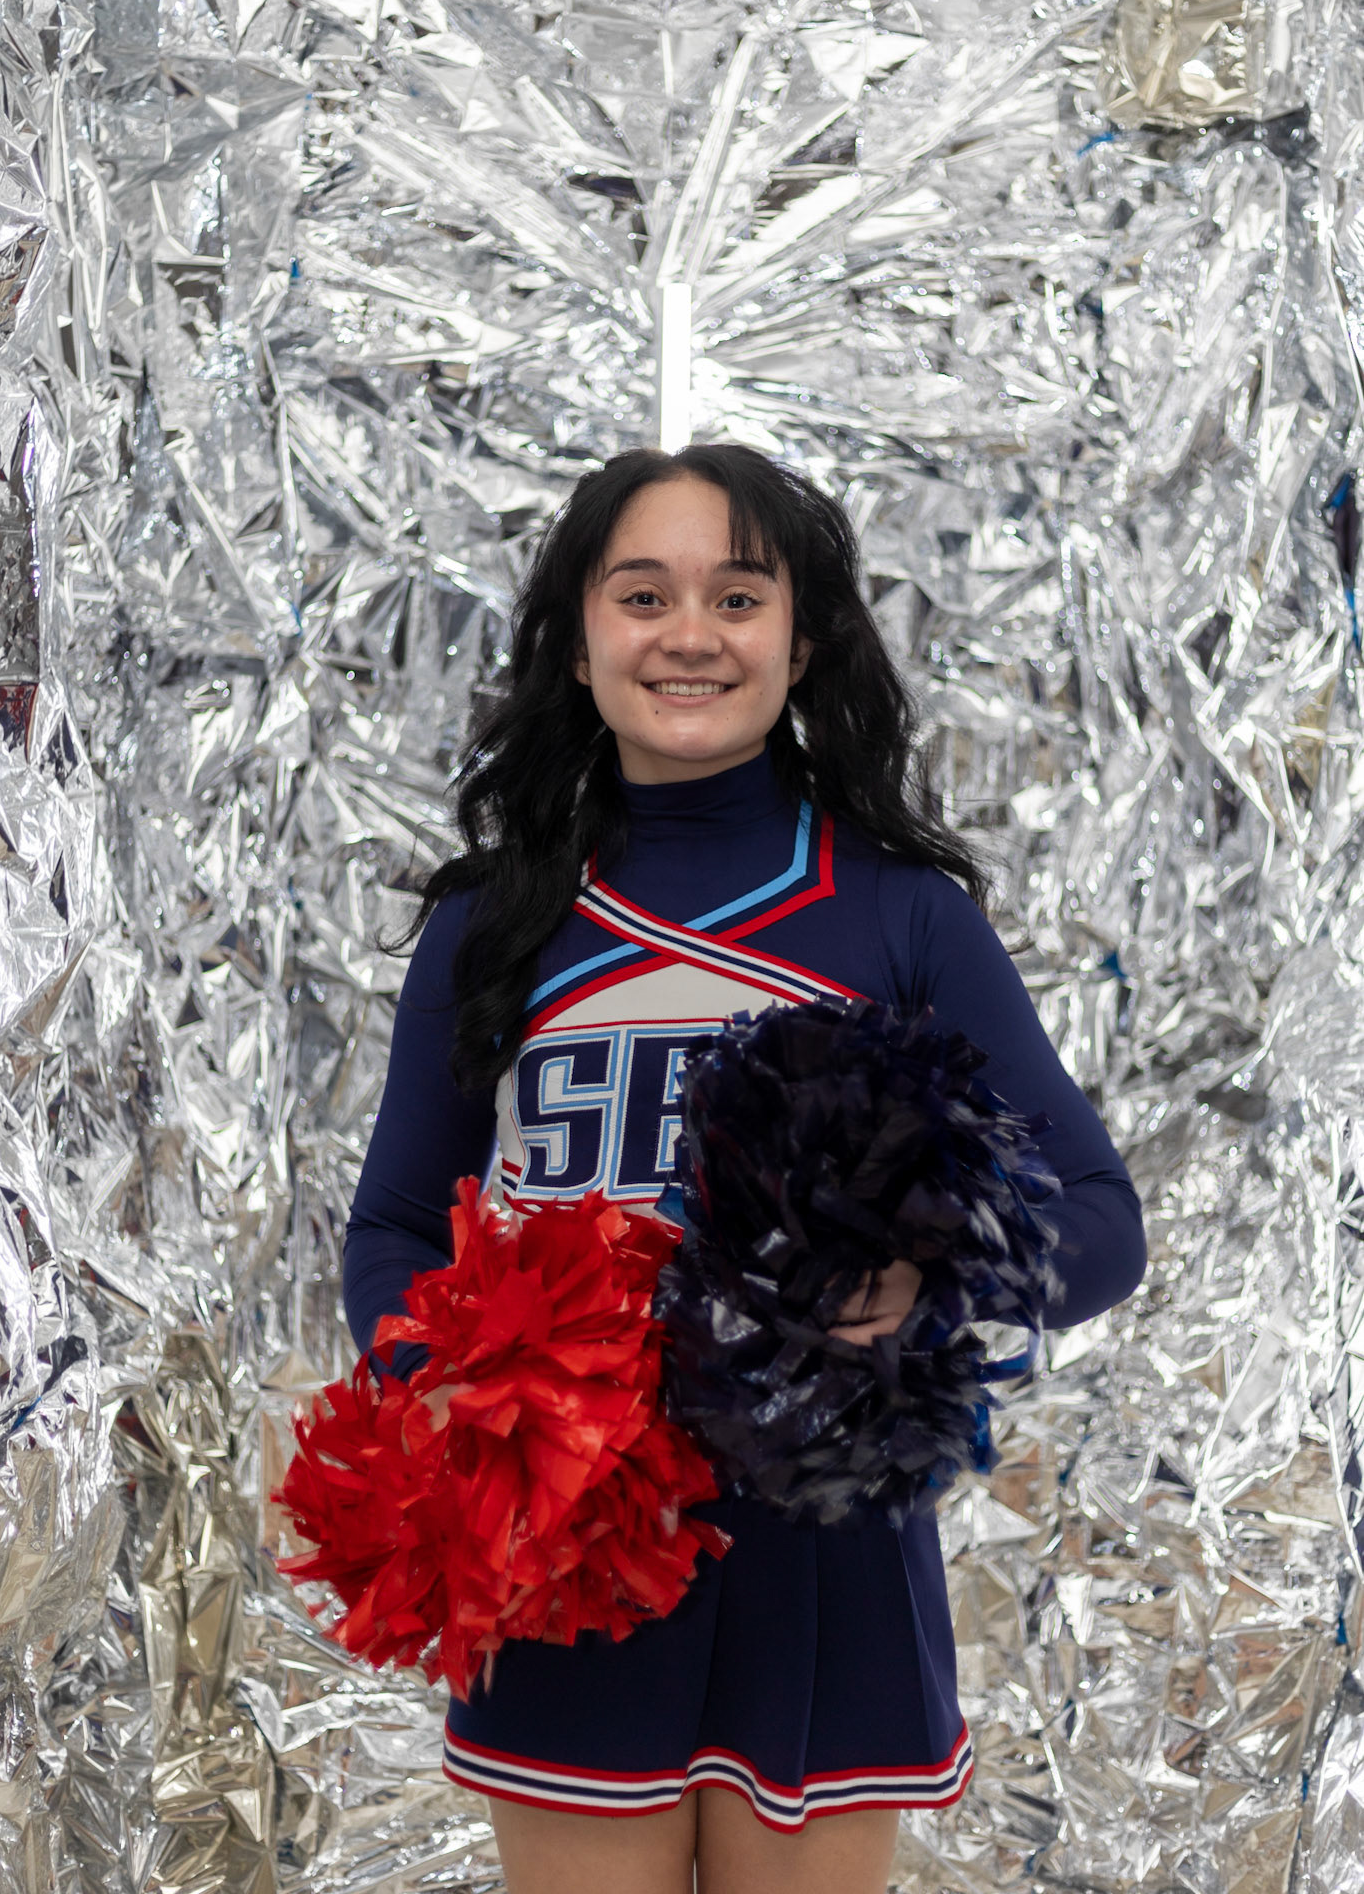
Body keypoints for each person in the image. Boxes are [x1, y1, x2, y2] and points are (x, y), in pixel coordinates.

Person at [343, 444, 1145, 1894]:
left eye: (737, 593)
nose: (689, 632)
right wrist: (443, 1389)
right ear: (579, 642)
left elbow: (1100, 1223)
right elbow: (398, 1224)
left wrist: (919, 1286)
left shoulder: (901, 914)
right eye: (641, 593)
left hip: (820, 1543)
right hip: (571, 1551)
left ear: (803, 640)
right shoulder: (493, 921)